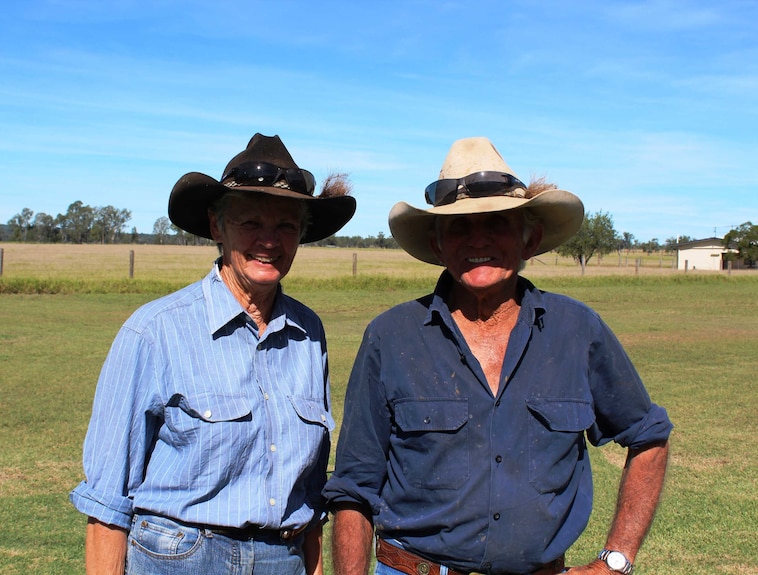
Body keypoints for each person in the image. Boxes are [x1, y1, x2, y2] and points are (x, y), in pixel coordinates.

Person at [323, 137, 672, 575]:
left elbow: (649, 436)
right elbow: (355, 487)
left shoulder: (577, 331)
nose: (478, 240)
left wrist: (615, 560)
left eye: (497, 223)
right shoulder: (390, 337)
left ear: (531, 239)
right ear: (437, 244)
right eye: (460, 226)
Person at [70, 133, 356, 575]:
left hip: (284, 559)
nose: (269, 240)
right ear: (217, 227)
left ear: (301, 234)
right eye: (250, 223)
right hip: (181, 558)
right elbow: (108, 502)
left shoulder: (309, 333)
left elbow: (309, 495)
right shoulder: (154, 331)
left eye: (285, 225)